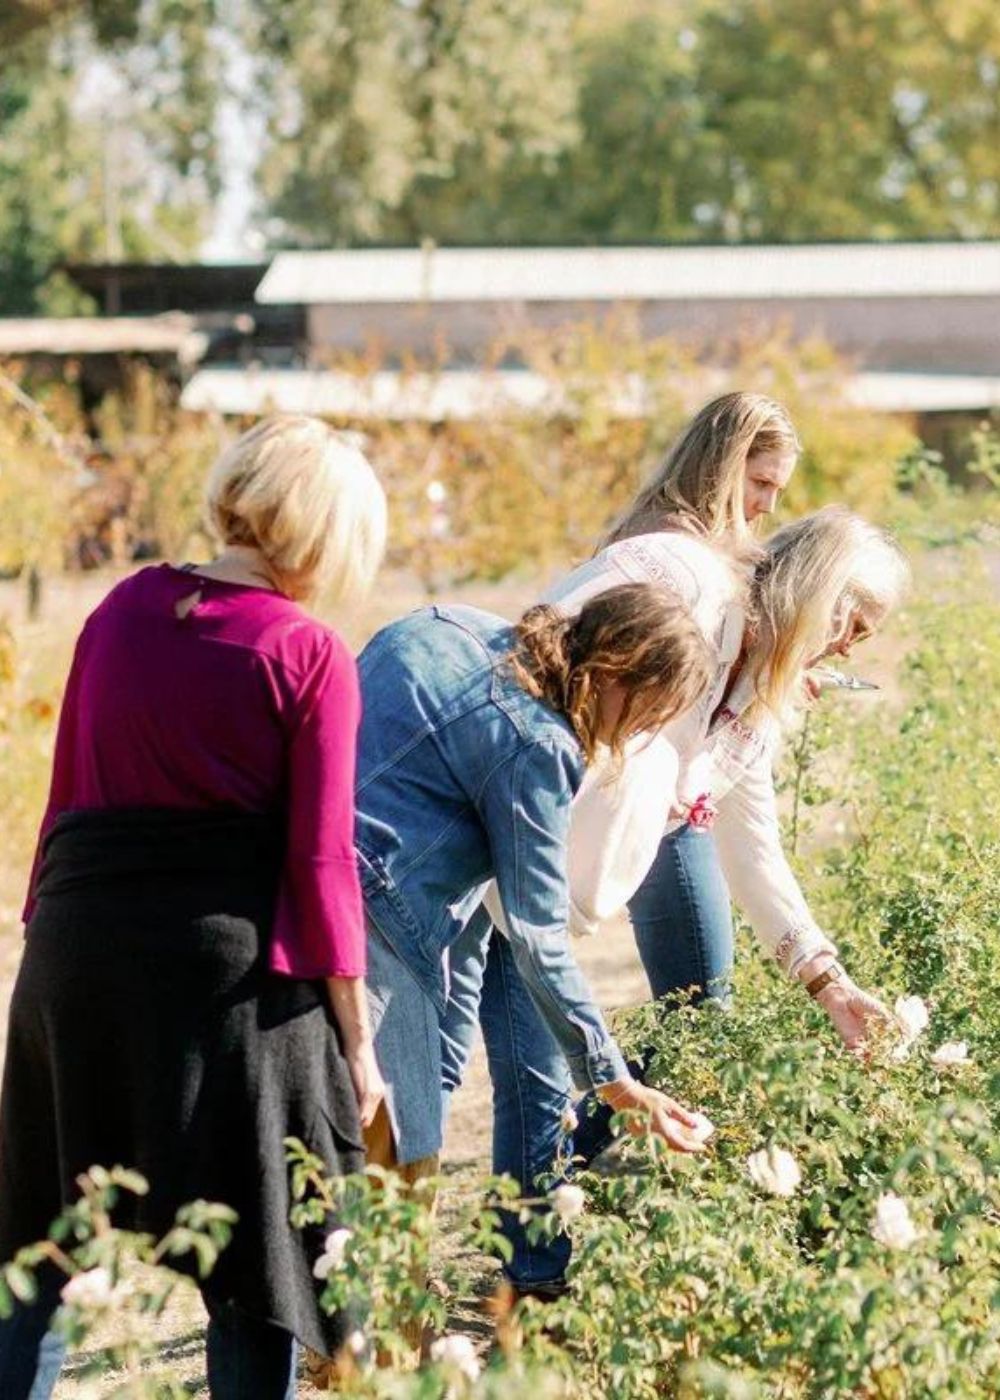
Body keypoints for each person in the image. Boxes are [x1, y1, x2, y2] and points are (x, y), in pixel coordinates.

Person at [0, 416, 387, 1400]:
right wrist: (357, 1042)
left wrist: (50, 944)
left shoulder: (121, 608)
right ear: (328, 532)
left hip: (76, 950)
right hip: (222, 979)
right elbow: (319, 860)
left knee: (36, 1247)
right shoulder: (308, 652)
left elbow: (65, 794)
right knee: (262, 1257)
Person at [444, 506, 909, 1295]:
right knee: (442, 1070)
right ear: (820, 586)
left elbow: (754, 848)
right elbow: (538, 663)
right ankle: (380, 1292)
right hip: (486, 853)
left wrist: (827, 982)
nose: (848, 648)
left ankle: (525, 1284)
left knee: (538, 1083)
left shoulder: (757, 699)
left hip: (551, 899)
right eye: (851, 622)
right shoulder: (688, 590)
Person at [354, 584, 717, 1191]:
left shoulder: (446, 623)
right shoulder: (539, 743)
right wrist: (615, 1081)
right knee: (397, 1158)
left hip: (279, 860)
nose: (635, 736)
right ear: (613, 676)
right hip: (373, 917)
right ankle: (377, 1285)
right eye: (648, 714)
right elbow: (538, 937)